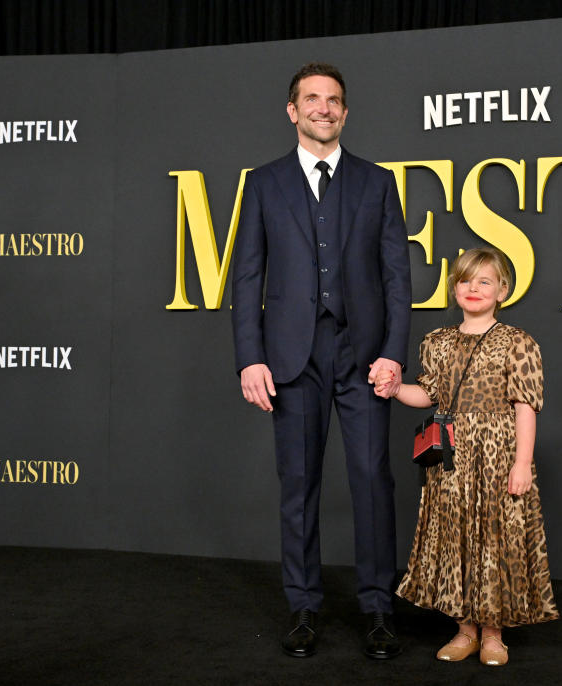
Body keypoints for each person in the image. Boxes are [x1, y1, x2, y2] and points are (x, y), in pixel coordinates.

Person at [231, 62, 411, 659]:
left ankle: (378, 608)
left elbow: (396, 279)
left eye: (334, 100)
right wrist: (249, 358)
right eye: (312, 99)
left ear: (345, 112)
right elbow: (247, 276)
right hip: (290, 356)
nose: (323, 108)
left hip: (362, 356)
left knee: (372, 482)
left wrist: (392, 353)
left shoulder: (377, 182)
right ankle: (304, 606)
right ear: (292, 110)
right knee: (299, 485)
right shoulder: (262, 183)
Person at [374, 246, 559, 666]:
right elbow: (429, 394)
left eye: (484, 281)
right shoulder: (437, 342)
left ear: (502, 290)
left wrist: (522, 463)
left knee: (496, 540)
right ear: (453, 288)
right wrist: (394, 389)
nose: (473, 288)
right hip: (452, 458)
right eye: (464, 280)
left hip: (498, 457)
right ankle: (464, 630)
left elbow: (524, 406)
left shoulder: (518, 343)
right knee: (455, 538)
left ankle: (494, 634)